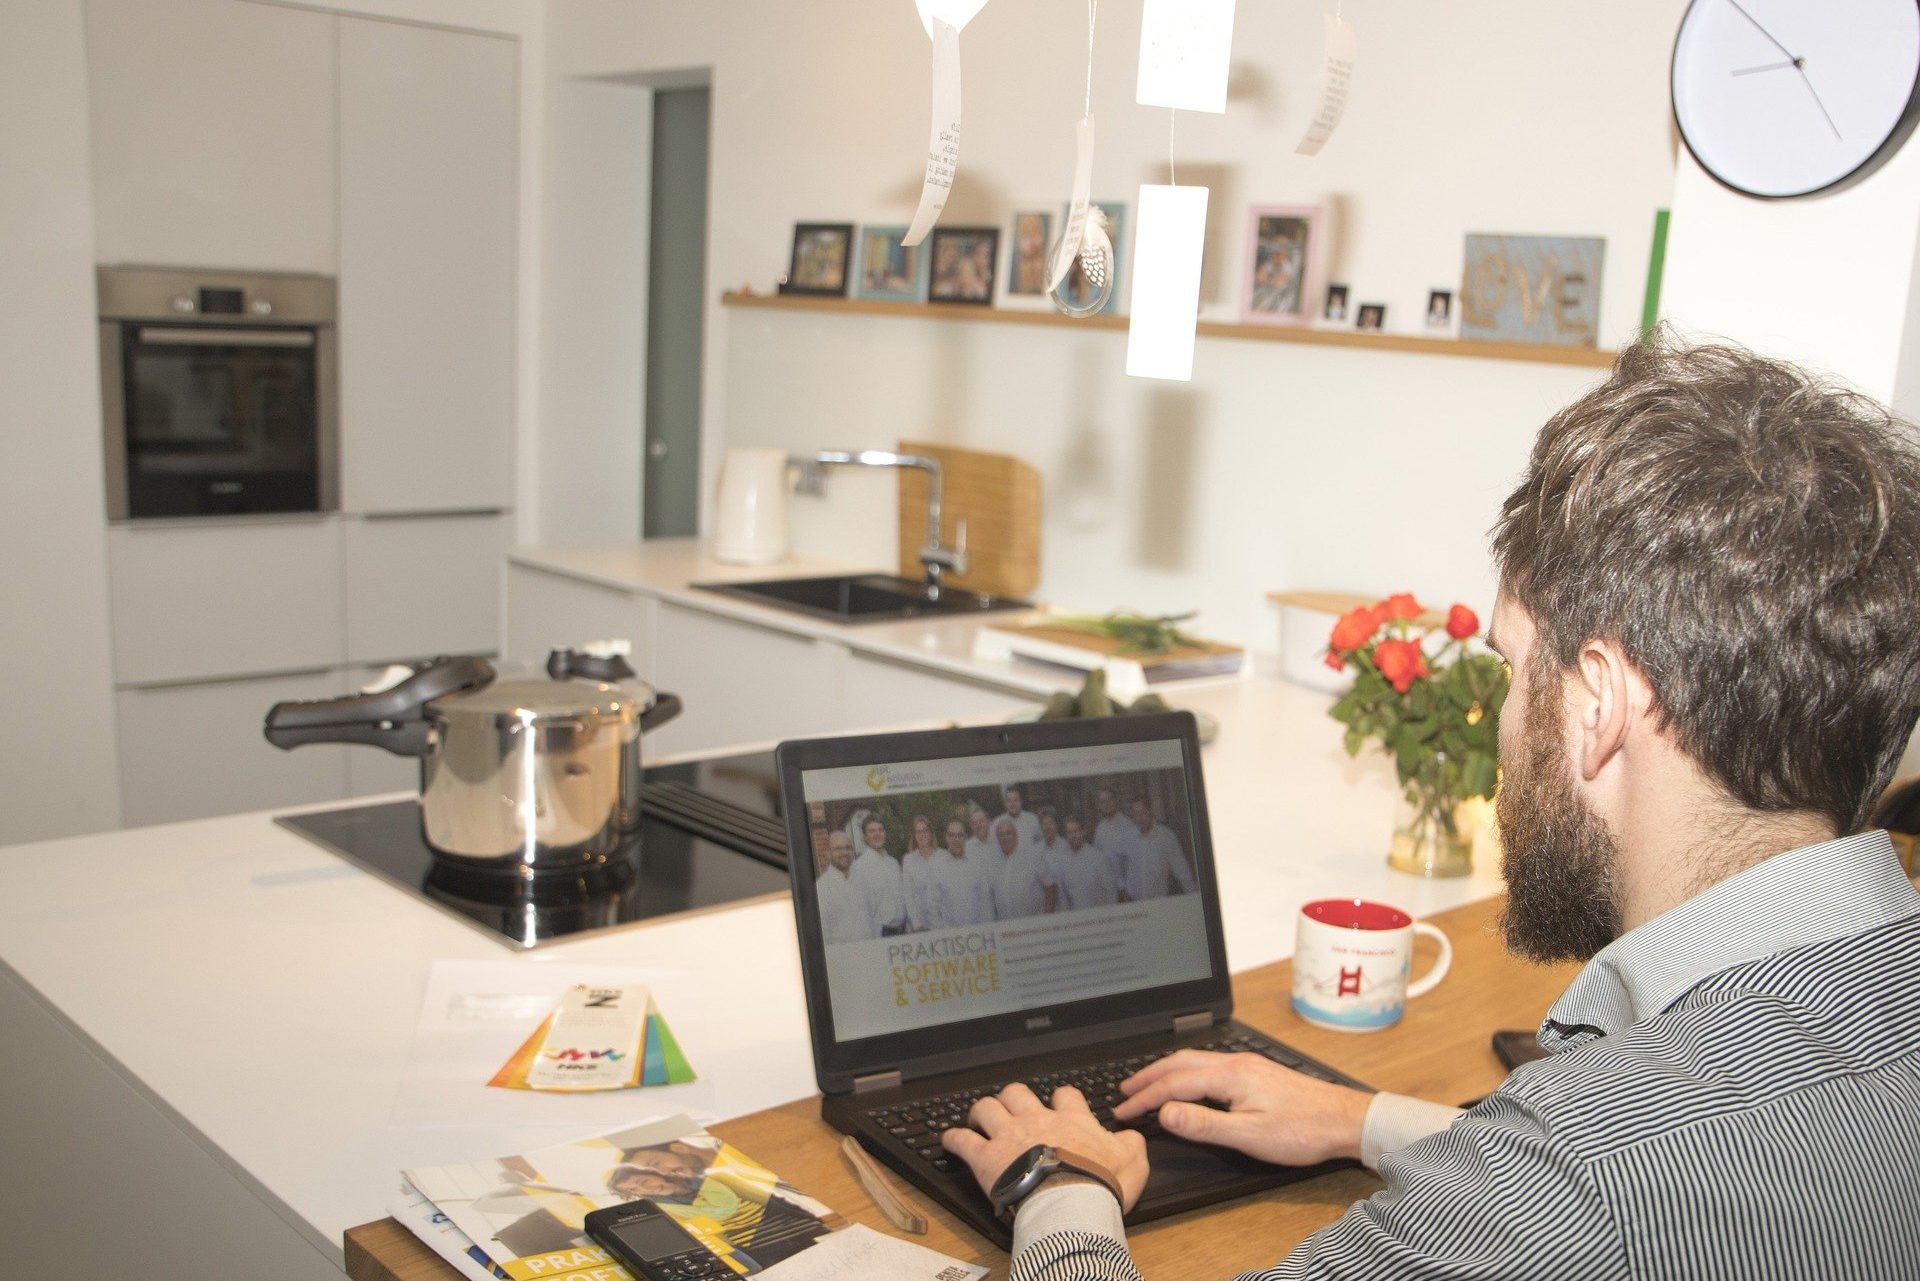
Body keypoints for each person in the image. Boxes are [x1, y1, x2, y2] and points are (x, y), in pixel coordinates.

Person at [940, 333, 1920, 1278]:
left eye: (1510, 668)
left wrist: (1061, 1187)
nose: (1503, 718)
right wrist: (1363, 1118)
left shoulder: (1571, 1175)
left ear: (1599, 706)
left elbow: (1582, 1183)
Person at [1114, 798, 1195, 901]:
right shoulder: (1128, 837)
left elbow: (1181, 868)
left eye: (1143, 812)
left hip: (1159, 901)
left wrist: (1193, 895)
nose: (1140, 818)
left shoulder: (1166, 836)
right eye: (1136, 814)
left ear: (1150, 811)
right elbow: (1117, 861)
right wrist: (1122, 886)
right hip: (1134, 901)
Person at [847, 810, 907, 935]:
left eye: (880, 830)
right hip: (882, 933)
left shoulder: (893, 863)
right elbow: (860, 910)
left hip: (904, 930)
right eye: (872, 831)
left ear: (885, 833)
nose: (877, 834)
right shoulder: (859, 868)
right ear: (864, 837)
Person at [990, 814, 1057, 919]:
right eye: (1001, 835)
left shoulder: (1032, 855)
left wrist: (1046, 919)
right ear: (997, 838)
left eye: (1008, 833)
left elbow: (1051, 887)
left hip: (1033, 924)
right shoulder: (994, 863)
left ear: (1016, 835)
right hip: (1006, 925)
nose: (1005, 838)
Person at [932, 814, 993, 927]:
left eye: (960, 835)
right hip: (949, 933)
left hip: (977, 932)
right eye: (952, 835)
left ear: (965, 837)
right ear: (946, 837)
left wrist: (985, 930)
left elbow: (986, 903)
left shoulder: (978, 865)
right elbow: (934, 907)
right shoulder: (937, 867)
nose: (956, 840)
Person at [814, 830, 875, 944]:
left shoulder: (863, 881)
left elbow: (874, 916)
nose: (845, 852)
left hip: (871, 948)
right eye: (838, 849)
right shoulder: (821, 887)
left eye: (848, 848)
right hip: (843, 953)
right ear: (828, 853)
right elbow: (823, 933)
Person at [1051, 814, 1119, 910]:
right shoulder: (1063, 861)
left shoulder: (1098, 857)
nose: (1073, 836)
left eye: (1076, 831)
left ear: (1083, 832)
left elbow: (1110, 890)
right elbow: (1063, 897)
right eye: (1069, 832)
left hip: (1100, 913)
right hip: (1076, 916)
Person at [901, 814, 944, 932]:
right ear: (914, 835)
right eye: (918, 832)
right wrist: (917, 925)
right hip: (919, 927)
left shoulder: (943, 856)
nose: (922, 835)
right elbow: (908, 896)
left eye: (925, 830)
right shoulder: (908, 860)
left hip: (942, 925)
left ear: (931, 833)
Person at [1090, 787, 1134, 892]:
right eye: (1103, 802)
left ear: (1115, 800)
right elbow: (1096, 857)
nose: (1106, 804)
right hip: (1107, 886)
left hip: (1127, 886)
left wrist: (1125, 887)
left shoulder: (1128, 825)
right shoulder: (1100, 828)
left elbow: (1133, 860)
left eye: (1109, 799)